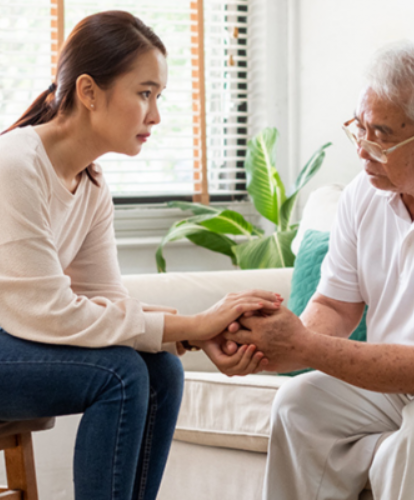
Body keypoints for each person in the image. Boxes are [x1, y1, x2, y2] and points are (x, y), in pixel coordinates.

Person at [0, 10, 280, 500]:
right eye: (144, 93)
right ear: (89, 92)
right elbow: (51, 315)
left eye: (159, 96)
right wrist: (191, 326)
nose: (155, 115)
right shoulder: (15, 165)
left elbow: (105, 302)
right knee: (120, 372)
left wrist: (195, 332)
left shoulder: (89, 182)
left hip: (16, 341)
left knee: (159, 369)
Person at [225, 42, 414, 500]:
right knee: (299, 404)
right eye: (360, 127)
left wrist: (304, 345)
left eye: (382, 136)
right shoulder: (364, 193)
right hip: (403, 374)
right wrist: (279, 346)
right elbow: (335, 303)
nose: (362, 150)